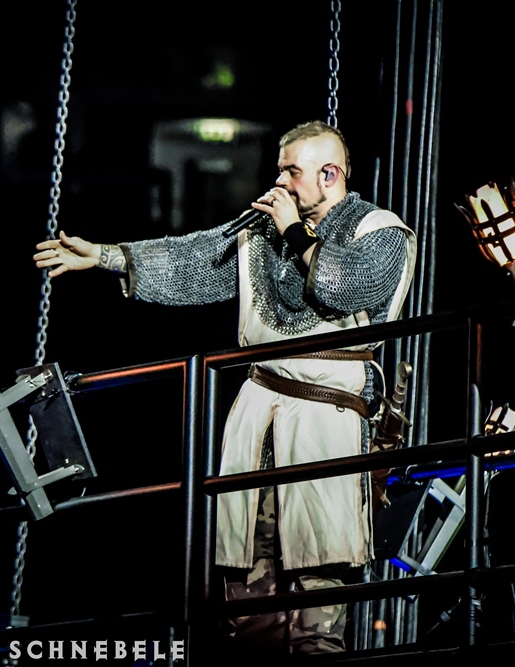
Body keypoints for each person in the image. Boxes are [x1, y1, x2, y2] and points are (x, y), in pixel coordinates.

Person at [34, 120, 417, 654]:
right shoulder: (264, 228)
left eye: (292, 171)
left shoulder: (379, 230)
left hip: (324, 422)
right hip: (258, 416)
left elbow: (340, 286)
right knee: (245, 588)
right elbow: (199, 258)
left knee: (317, 584)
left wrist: (294, 232)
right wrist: (106, 256)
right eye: (280, 169)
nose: (279, 181)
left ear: (330, 175)